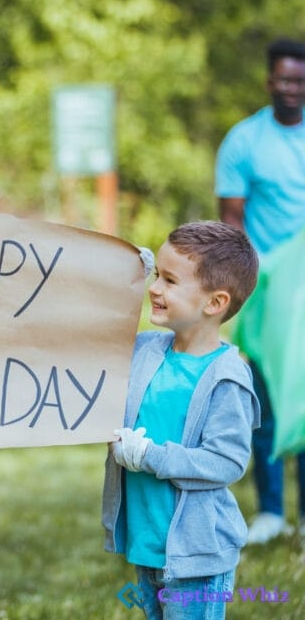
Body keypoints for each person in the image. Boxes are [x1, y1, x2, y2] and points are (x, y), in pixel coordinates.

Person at [102, 221, 260, 620]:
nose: (154, 288)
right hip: (148, 541)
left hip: (198, 555)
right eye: (156, 275)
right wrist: (120, 273)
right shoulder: (145, 350)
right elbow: (96, 337)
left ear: (214, 303)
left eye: (170, 280)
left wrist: (150, 456)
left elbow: (226, 462)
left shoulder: (227, 377)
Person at [215, 37, 305, 544]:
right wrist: (252, 280)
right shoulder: (244, 142)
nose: (292, 88)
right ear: (270, 80)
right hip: (269, 287)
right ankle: (271, 511)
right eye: (285, 79)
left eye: (300, 80)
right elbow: (233, 224)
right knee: (266, 398)